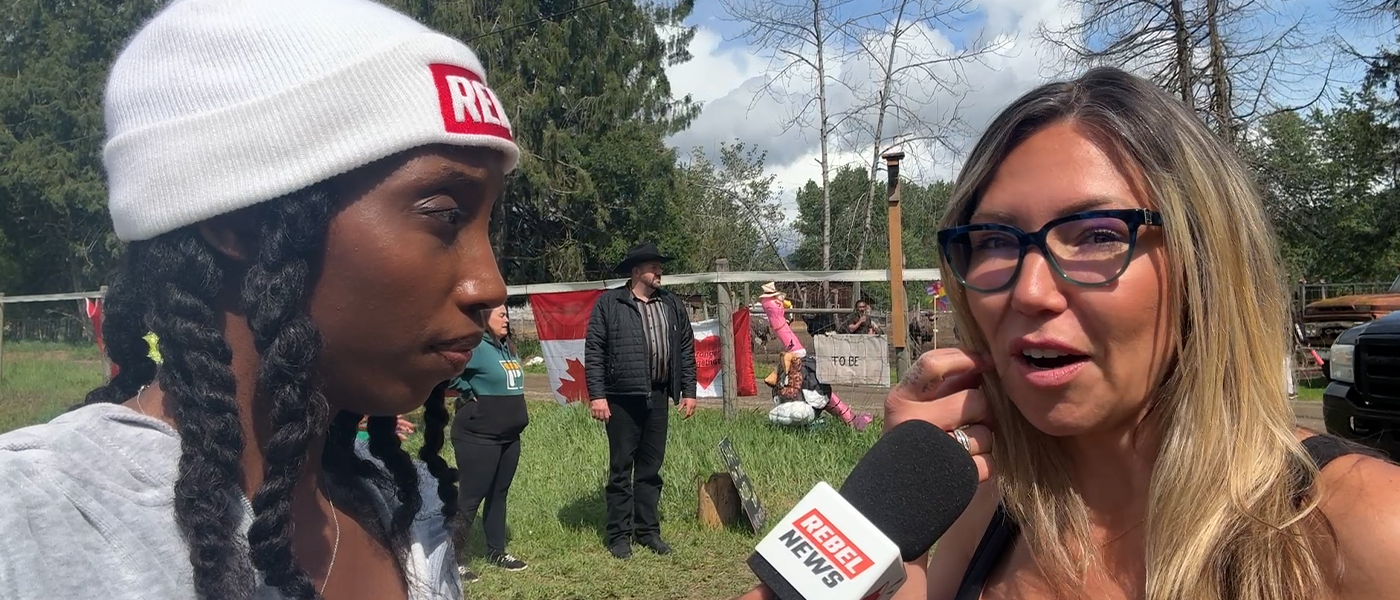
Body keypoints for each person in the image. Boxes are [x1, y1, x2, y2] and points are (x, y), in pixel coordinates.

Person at [733, 66, 1400, 600]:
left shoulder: (1366, 527)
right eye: (995, 240)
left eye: (1098, 235)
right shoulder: (988, 503)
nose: (1028, 290)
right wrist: (888, 519)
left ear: (1205, 264)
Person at [0, 0, 518, 598]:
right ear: (241, 224)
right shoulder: (36, 523)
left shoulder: (408, 506)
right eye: (445, 214)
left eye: (487, 222)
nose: (490, 286)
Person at [585, 242, 698, 559]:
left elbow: (685, 349)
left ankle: (648, 531)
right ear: (636, 272)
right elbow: (594, 351)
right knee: (621, 469)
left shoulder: (671, 303)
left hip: (659, 395)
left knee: (650, 468)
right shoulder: (610, 304)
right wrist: (597, 396)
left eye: (660, 267)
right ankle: (618, 535)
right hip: (622, 399)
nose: (659, 272)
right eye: (653, 267)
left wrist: (689, 391)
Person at [447, 305, 530, 581]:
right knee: (471, 497)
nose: (507, 319)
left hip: (509, 436)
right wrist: (467, 391)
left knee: (498, 494)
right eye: (501, 315)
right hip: (478, 435)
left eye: (507, 315)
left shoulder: (506, 348)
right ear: (484, 317)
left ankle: (496, 551)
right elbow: (446, 371)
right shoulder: (476, 347)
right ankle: (452, 559)